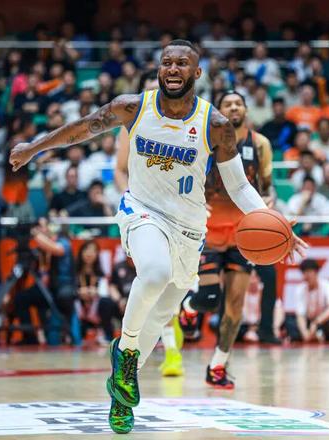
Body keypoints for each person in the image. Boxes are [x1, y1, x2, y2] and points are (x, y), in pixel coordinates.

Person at [9, 39, 307, 433]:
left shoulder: (215, 124)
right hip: (142, 210)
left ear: (196, 73)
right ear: (159, 69)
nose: (173, 69)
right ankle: (125, 357)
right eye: (167, 62)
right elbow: (83, 128)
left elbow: (238, 186)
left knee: (163, 312)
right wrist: (35, 147)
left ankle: (121, 388)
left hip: (189, 227)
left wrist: (273, 220)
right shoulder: (133, 107)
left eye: (182, 63)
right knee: (153, 273)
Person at [179, 90, 278, 389]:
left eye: (238, 103)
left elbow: (267, 187)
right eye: (227, 104)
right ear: (218, 111)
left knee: (235, 307)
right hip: (207, 231)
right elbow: (185, 179)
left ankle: (218, 366)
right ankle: (189, 308)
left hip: (243, 235)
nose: (234, 107)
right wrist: (193, 201)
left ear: (246, 109)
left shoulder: (260, 144)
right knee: (210, 299)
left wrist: (268, 203)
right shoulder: (203, 140)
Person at [112, 73, 186, 378]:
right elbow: (120, 170)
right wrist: (131, 199)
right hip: (145, 214)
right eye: (150, 90)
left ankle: (138, 361)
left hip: (183, 216)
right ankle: (151, 350)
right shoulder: (133, 120)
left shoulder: (188, 122)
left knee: (173, 292)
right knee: (156, 278)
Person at [285, 259, 329, 342]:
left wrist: (316, 322)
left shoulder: (327, 285)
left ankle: (321, 335)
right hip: (309, 321)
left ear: (316, 272)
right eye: (304, 272)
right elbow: (300, 314)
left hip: (323, 321)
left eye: (309, 272)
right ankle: (311, 336)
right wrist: (304, 332)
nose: (307, 275)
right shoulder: (300, 289)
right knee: (289, 320)